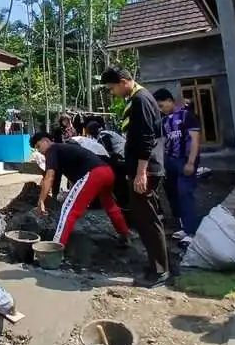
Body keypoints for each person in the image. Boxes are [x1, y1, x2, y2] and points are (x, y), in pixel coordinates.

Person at [100, 66, 169, 288]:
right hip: (142, 169)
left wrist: (141, 173)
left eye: (112, 88)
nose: (113, 93)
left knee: (148, 221)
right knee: (143, 219)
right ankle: (155, 266)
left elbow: (147, 139)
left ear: (123, 82)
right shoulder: (137, 98)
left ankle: (160, 271)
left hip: (146, 171)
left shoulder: (141, 100)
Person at [30, 132, 130, 246]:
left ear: (46, 141)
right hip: (107, 171)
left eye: (38, 146)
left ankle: (56, 247)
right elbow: (56, 178)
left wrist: (41, 201)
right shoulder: (63, 150)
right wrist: (54, 195)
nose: (39, 151)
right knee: (109, 204)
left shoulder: (52, 149)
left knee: (68, 209)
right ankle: (125, 235)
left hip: (94, 173)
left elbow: (50, 177)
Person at [153, 88, 202, 246]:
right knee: (173, 193)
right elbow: (166, 142)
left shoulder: (187, 116)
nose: (161, 110)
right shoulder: (165, 120)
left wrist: (191, 162)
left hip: (185, 159)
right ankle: (184, 226)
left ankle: (191, 231)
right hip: (171, 160)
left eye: (161, 106)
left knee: (185, 193)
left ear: (170, 100)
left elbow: (195, 140)